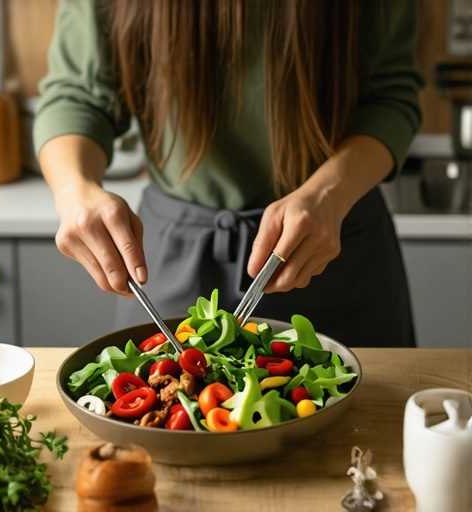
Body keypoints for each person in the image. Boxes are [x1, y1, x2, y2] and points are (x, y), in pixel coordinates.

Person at [33, 0, 425, 347]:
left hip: (333, 248)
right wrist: (75, 190)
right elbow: (77, 95)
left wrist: (328, 195)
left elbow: (389, 97)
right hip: (174, 260)